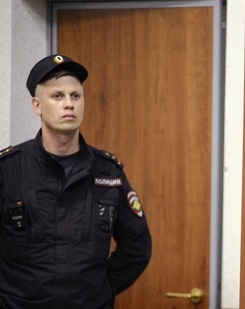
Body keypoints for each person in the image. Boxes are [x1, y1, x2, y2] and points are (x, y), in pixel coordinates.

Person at [0, 54, 152, 308]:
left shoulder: (107, 172)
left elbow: (137, 245)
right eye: (57, 96)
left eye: (75, 96)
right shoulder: (8, 169)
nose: (68, 104)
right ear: (37, 105)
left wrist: (103, 286)